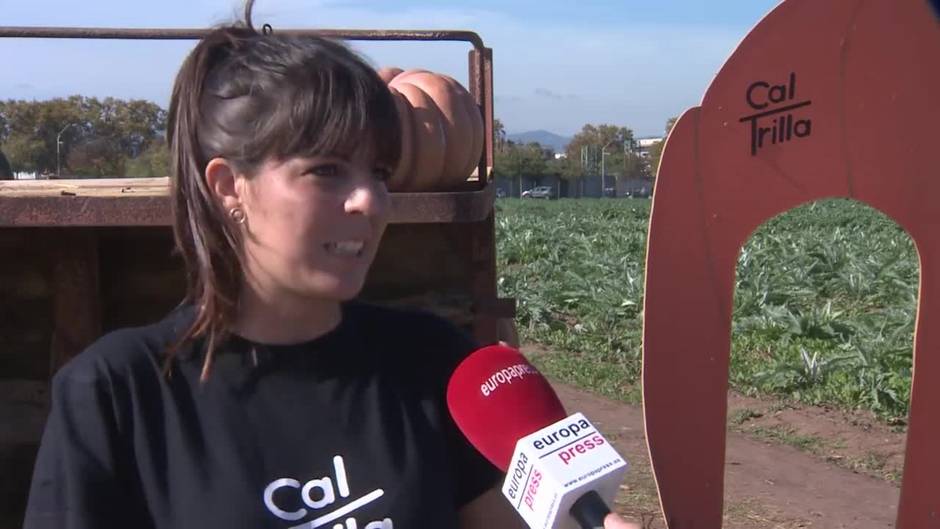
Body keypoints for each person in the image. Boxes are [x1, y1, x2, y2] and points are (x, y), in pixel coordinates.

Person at [21, 2, 639, 528]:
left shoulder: (433, 365)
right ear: (228, 187)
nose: (371, 200)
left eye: (378, 171)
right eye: (325, 171)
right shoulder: (117, 395)